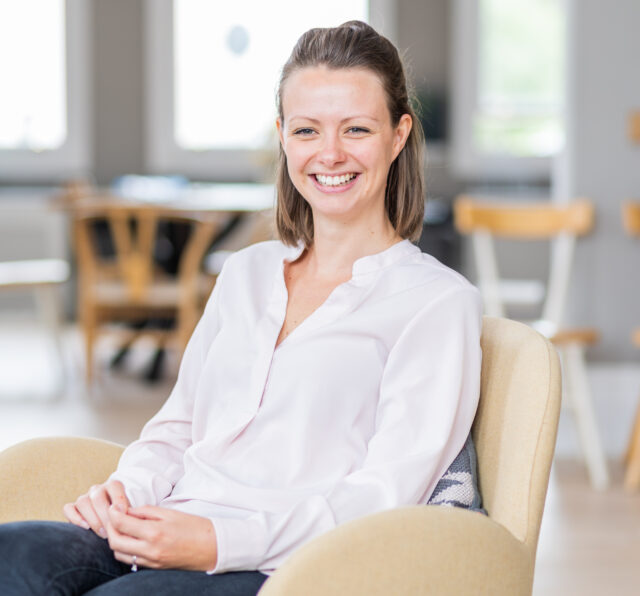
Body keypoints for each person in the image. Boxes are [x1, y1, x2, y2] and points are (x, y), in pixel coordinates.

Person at [0, 20, 481, 596]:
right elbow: (177, 427)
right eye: (307, 129)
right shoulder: (244, 273)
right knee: (13, 554)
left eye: (356, 129)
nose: (329, 154)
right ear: (283, 135)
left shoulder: (436, 303)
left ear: (398, 136)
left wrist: (218, 543)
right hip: (165, 526)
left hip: (280, 567)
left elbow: (385, 496)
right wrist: (126, 490)